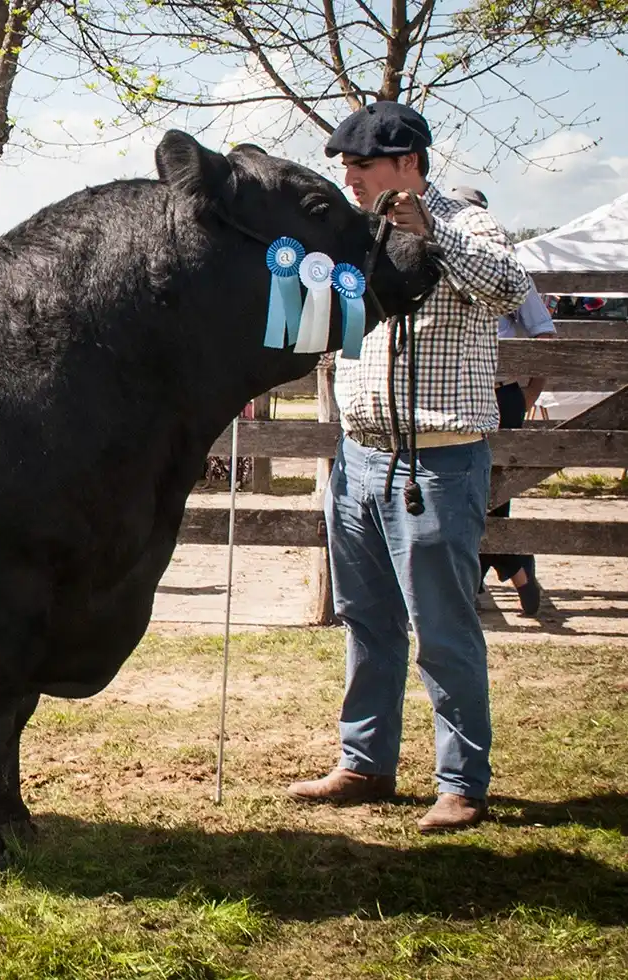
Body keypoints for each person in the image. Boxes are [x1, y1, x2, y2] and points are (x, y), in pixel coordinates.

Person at [285, 102, 532, 833]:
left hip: (437, 463)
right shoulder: (354, 238)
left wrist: (431, 238)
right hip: (357, 455)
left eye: (361, 165)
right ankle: (363, 764)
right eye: (345, 167)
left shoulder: (466, 223)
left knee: (442, 626)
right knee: (365, 619)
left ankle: (460, 781)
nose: (349, 178)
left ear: (407, 164)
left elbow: (509, 291)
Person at [449, 185, 553, 616]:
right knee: (463, 491)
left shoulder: (508, 272)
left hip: (498, 394)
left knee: (493, 492)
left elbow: (543, 332)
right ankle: (515, 571)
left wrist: (529, 392)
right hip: (454, 395)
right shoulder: (441, 267)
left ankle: (496, 574)